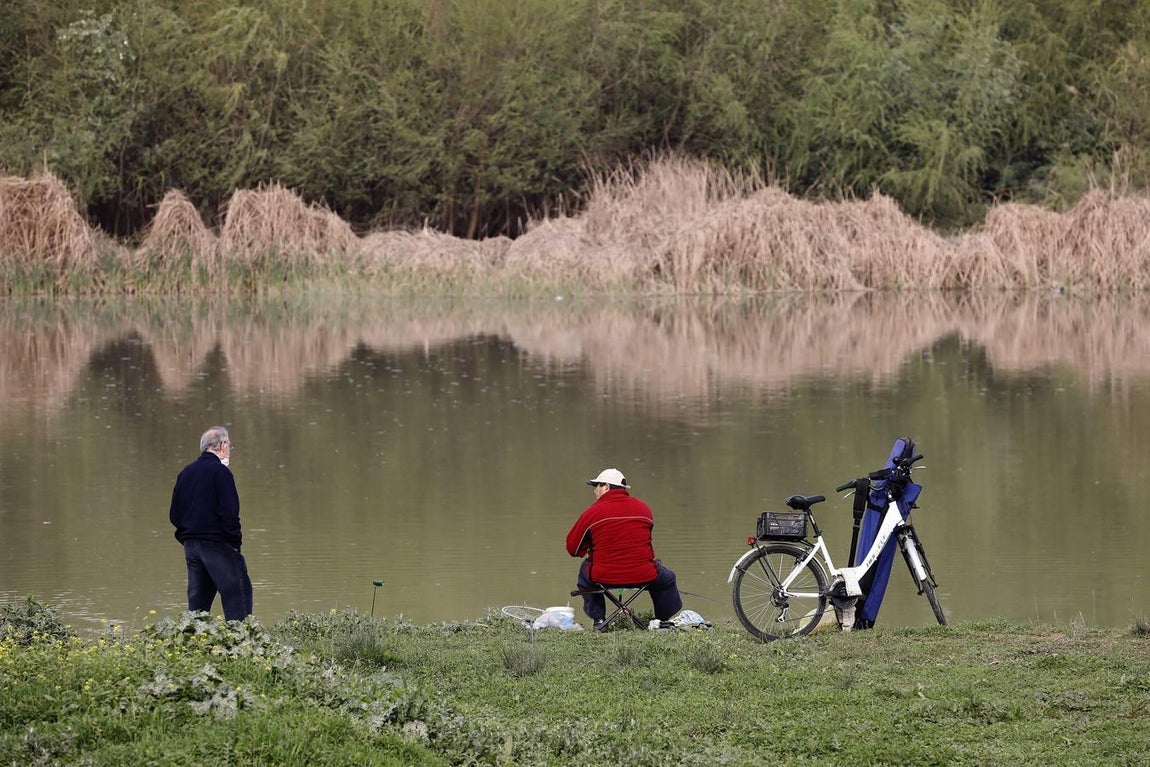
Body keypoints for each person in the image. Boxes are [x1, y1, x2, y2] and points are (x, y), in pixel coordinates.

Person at [565, 468, 682, 629]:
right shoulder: (644, 509)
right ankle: (661, 620)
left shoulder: (591, 513)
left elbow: (573, 549)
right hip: (644, 574)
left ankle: (599, 620)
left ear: (606, 486)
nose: (594, 490)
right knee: (667, 578)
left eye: (597, 485)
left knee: (585, 572)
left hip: (603, 576)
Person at [169, 426, 253, 621]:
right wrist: (234, 544)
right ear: (223, 445)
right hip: (217, 544)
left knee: (198, 608)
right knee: (238, 597)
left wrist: (188, 537)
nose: (230, 449)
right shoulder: (221, 472)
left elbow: (174, 514)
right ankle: (242, 646)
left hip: (192, 547)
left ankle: (195, 644)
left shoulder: (185, 473)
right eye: (230, 445)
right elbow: (229, 513)